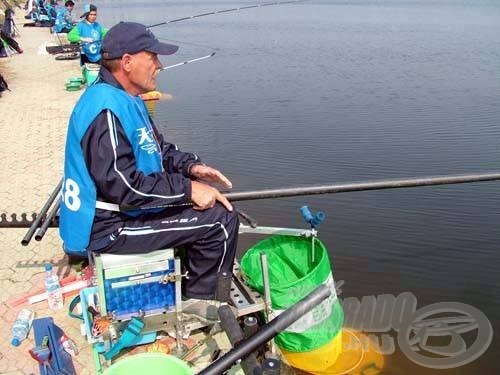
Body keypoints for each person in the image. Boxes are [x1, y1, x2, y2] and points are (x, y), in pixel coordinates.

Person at [59, 22, 239, 320]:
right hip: (107, 227)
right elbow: (125, 189)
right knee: (220, 221)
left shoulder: (126, 98)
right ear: (127, 62)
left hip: (121, 211)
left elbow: (158, 149)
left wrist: (192, 167)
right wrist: (188, 190)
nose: (160, 65)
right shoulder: (105, 110)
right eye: (153, 57)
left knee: (206, 197)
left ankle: (192, 275)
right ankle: (202, 302)